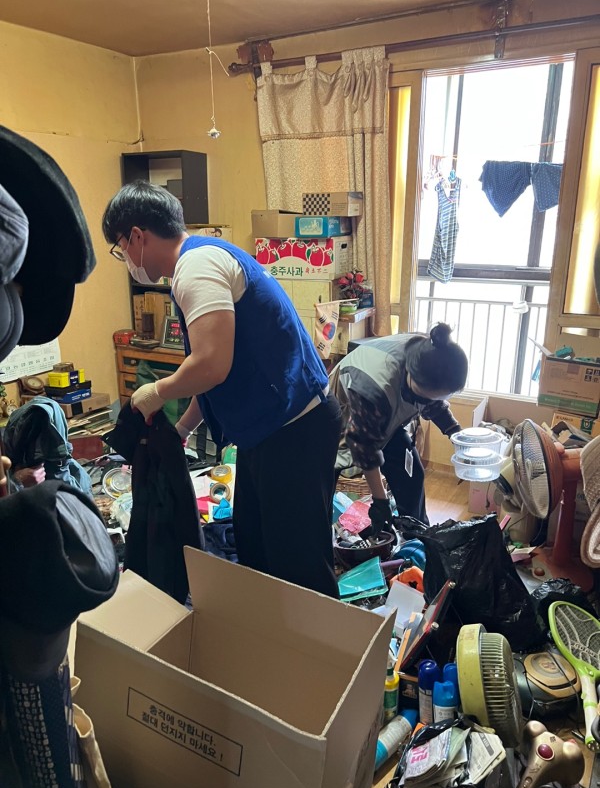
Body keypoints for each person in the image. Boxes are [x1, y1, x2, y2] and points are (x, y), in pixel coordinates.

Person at [102, 180, 342, 598]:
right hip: (270, 431)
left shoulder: (196, 268)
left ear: (137, 236)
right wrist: (183, 428)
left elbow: (211, 365)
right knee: (257, 552)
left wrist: (158, 391)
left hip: (294, 430)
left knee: (299, 567)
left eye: (120, 247)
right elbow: (213, 374)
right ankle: (269, 634)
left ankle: (330, 641)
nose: (125, 258)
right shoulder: (204, 259)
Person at [329, 323, 468, 530]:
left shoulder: (430, 351)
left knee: (411, 476)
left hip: (384, 421)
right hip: (335, 423)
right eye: (423, 397)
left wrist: (456, 434)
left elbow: (433, 402)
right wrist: (380, 502)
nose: (427, 403)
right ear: (410, 373)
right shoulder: (374, 387)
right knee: (321, 496)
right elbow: (365, 449)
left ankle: (417, 534)